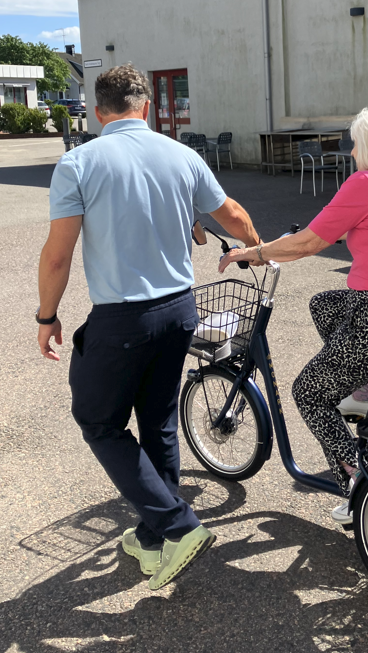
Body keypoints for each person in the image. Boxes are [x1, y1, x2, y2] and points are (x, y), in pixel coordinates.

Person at [37, 64, 260, 589]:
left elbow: (57, 257)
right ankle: (155, 534)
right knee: (156, 417)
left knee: (97, 420)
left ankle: (178, 525)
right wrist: (253, 248)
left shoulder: (79, 162)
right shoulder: (181, 155)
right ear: (146, 107)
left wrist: (46, 316)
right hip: (180, 310)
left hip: (122, 317)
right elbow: (231, 213)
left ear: (97, 112)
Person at [219, 102, 368, 523]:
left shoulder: (365, 183)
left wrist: (253, 252)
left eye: (358, 144)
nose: (354, 153)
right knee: (323, 304)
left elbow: (307, 244)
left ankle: (361, 481)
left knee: (309, 392)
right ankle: (360, 393)